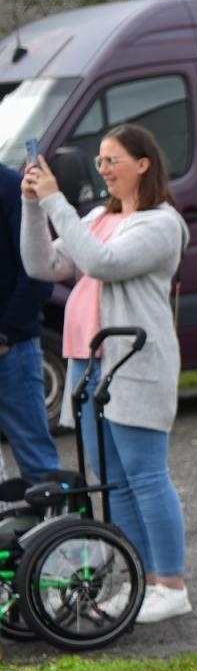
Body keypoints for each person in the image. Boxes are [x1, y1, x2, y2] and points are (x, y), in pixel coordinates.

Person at [19, 125, 193, 624]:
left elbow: (102, 262)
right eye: (100, 161)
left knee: (147, 476)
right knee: (113, 482)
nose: (103, 169)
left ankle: (171, 584)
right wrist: (34, 206)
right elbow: (43, 264)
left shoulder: (162, 223)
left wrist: (54, 200)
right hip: (89, 365)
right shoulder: (98, 217)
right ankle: (139, 580)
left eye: (112, 160)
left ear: (143, 164)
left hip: (133, 364)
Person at [0, 161, 59, 483]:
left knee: (39, 466)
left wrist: (6, 334)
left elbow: (37, 273)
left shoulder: (11, 188)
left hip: (11, 351)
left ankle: (56, 517)